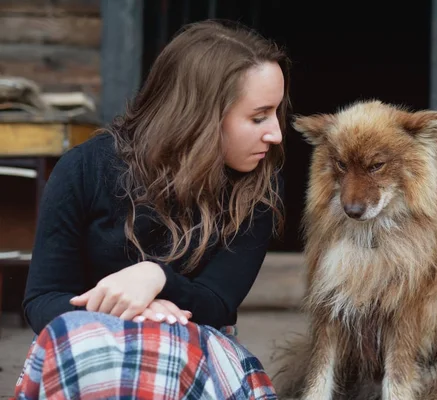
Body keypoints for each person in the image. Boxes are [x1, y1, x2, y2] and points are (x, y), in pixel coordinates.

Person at [13, 19, 289, 400]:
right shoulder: (84, 169)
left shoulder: (258, 188)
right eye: (258, 117)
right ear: (200, 116)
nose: (274, 133)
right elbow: (42, 300)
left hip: (195, 348)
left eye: (276, 113)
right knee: (84, 348)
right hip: (87, 344)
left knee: (167, 353)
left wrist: (154, 277)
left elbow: (216, 303)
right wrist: (130, 311)